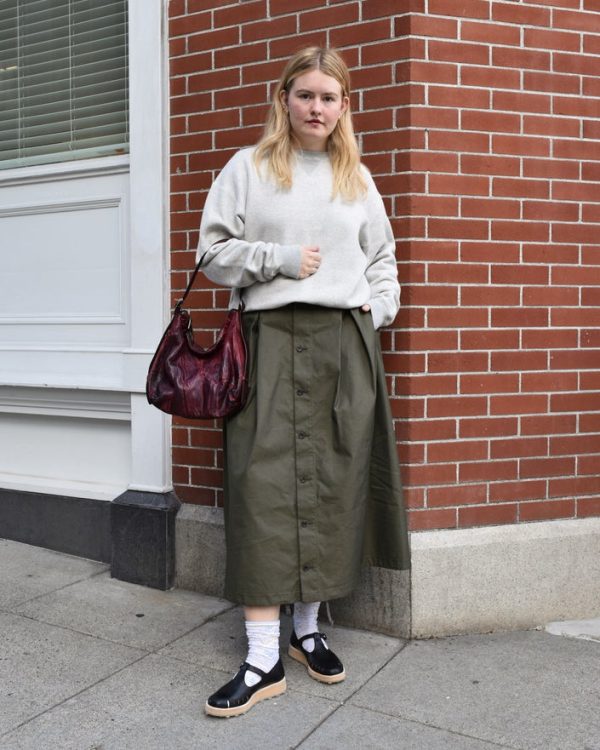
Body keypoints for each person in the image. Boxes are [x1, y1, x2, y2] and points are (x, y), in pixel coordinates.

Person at [196, 46, 410, 718]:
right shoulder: (250, 169)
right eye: (306, 95)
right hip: (269, 341)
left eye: (330, 97)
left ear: (345, 107)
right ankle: (262, 654)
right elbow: (212, 253)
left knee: (335, 479)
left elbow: (383, 259)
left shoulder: (357, 177)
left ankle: (307, 629)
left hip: (343, 343)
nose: (317, 108)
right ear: (284, 98)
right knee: (262, 483)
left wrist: (375, 312)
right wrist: (279, 259)